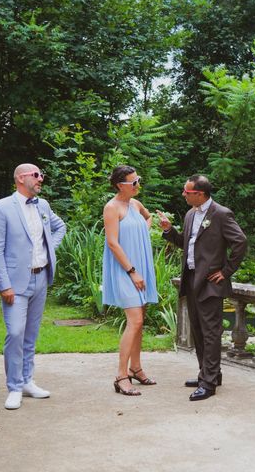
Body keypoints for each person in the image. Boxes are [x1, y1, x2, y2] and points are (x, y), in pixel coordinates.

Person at [156, 175, 247, 401]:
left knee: (210, 334)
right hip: (191, 281)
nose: (183, 195)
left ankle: (208, 384)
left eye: (187, 192)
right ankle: (208, 374)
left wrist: (226, 272)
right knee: (198, 331)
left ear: (200, 193)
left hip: (210, 284)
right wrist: (169, 231)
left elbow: (241, 242)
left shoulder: (221, 214)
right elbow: (185, 244)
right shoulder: (189, 215)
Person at [0, 164, 66, 410]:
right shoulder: (0, 208)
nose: (41, 178)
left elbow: (59, 227)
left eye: (41, 174)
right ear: (21, 178)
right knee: (15, 333)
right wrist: (4, 284)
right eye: (36, 174)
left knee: (30, 335)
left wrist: (49, 250)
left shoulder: (42, 205)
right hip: (15, 282)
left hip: (41, 277)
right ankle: (13, 387)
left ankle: (27, 382)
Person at [102, 166, 158, 396]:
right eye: (133, 182)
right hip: (125, 269)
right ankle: (121, 376)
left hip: (140, 266)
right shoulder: (111, 207)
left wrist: (144, 231)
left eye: (138, 180)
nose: (137, 185)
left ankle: (136, 368)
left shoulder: (135, 205)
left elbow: (149, 217)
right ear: (119, 185)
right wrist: (132, 271)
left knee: (140, 320)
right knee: (134, 320)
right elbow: (113, 243)